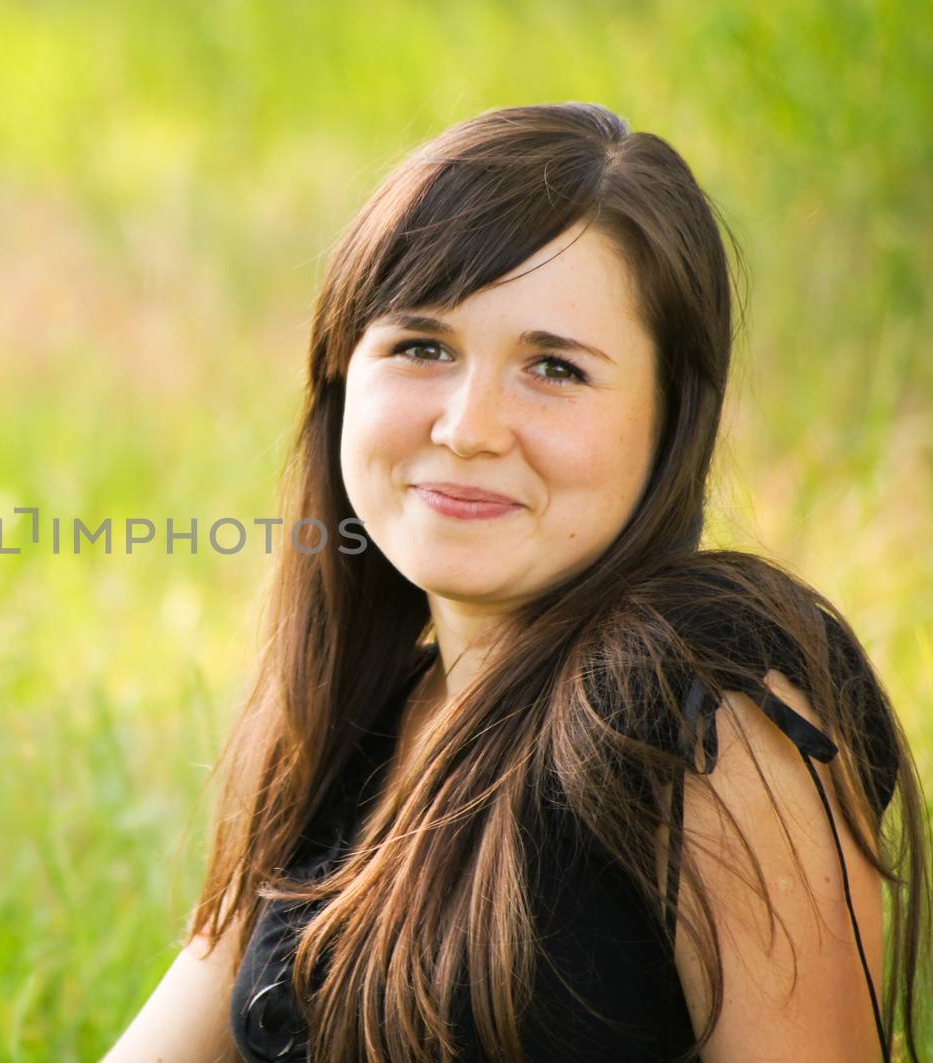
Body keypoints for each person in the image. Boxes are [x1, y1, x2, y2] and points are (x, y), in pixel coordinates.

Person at [104, 102, 930, 1062]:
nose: (468, 426)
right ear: (341, 378)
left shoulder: (702, 695)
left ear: (671, 419)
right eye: (423, 347)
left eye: (554, 368)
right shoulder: (359, 721)